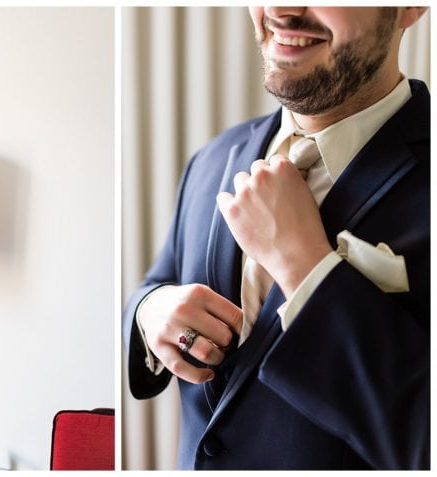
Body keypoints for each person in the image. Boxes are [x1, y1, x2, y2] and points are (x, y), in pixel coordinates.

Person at [124, 7, 429, 470]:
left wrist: (305, 265)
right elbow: (156, 282)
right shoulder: (215, 157)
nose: (283, 10)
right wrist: (152, 311)